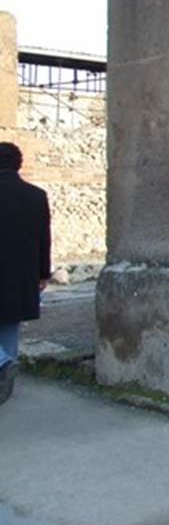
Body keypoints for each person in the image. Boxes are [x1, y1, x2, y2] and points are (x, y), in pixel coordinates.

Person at [0, 142, 51, 405]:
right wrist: (43, 273)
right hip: (21, 273)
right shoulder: (36, 195)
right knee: (9, 323)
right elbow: (44, 239)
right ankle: (6, 378)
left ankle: (4, 362)